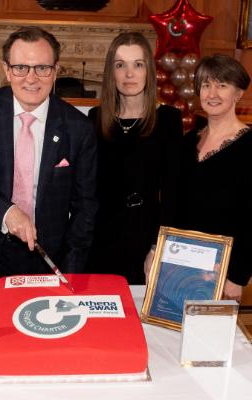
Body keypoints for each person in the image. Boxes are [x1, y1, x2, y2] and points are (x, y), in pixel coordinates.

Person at [0, 26, 98, 284]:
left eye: (42, 68)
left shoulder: (79, 128)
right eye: (21, 67)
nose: (31, 78)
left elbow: (85, 208)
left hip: (49, 259)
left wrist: (70, 272)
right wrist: (8, 213)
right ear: (6, 70)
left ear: (55, 72)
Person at [86, 31, 183, 284]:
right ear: (111, 73)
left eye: (138, 65)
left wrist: (157, 247)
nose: (129, 74)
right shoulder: (95, 118)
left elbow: (173, 192)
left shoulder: (169, 120)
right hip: (101, 239)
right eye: (121, 65)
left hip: (145, 239)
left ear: (148, 71)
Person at [168, 54, 252, 301]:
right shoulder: (186, 143)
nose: (212, 93)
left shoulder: (250, 146)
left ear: (238, 94)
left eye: (222, 85)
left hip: (223, 273)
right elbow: (174, 206)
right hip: (179, 265)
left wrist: (238, 276)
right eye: (206, 85)